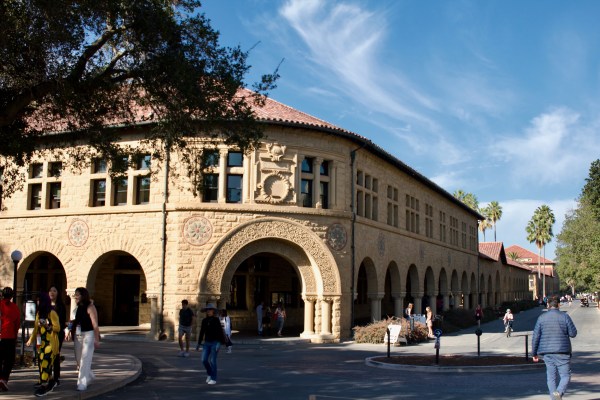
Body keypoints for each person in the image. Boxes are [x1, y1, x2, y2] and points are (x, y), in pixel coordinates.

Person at [532, 296, 578, 400]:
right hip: (563, 351)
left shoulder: (541, 318)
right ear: (558, 305)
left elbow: (536, 336)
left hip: (547, 352)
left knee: (551, 377)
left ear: (548, 305)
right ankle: (559, 392)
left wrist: (534, 353)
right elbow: (573, 333)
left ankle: (554, 397)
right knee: (565, 375)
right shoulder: (565, 316)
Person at [66, 287, 100, 392]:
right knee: (79, 359)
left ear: (83, 295)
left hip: (88, 335)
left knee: (85, 359)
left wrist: (97, 339)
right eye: (75, 294)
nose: (76, 296)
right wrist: (68, 330)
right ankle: (89, 374)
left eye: (78, 294)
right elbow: (73, 321)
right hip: (78, 334)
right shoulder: (77, 308)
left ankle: (82, 383)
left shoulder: (90, 307)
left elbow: (95, 324)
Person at [26, 292, 60, 397]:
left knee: (45, 363)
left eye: (39, 300)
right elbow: (36, 329)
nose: (37, 302)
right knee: (42, 365)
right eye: (37, 300)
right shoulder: (39, 314)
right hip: (42, 344)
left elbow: (58, 328)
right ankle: (51, 382)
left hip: (50, 344)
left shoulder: (52, 313)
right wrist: (30, 340)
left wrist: (48, 326)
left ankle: (44, 386)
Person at [197, 304, 226, 385]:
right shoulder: (204, 321)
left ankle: (213, 378)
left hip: (215, 343)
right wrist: (199, 343)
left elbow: (220, 332)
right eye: (207, 310)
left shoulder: (216, 320)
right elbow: (202, 332)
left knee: (213, 360)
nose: (208, 311)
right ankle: (209, 373)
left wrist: (219, 343)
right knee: (204, 360)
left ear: (213, 311)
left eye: (210, 309)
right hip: (206, 343)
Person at [0, 287, 21, 392]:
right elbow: (17, 323)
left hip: (1, 335)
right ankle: (3, 379)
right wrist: (15, 334)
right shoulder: (15, 307)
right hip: (10, 337)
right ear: (12, 296)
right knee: (9, 360)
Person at [48, 286, 67, 387]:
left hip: (57, 334)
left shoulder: (60, 306)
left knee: (55, 355)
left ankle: (56, 377)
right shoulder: (45, 305)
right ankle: (46, 376)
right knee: (46, 355)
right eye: (50, 290)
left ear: (58, 293)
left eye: (54, 291)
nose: (52, 292)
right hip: (46, 334)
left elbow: (62, 322)